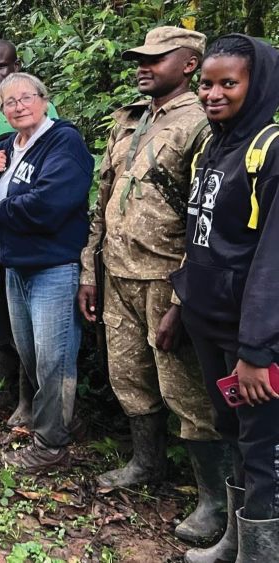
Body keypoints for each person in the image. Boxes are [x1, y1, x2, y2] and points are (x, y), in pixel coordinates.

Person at [78, 27, 226, 544]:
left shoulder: (202, 124)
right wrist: (88, 269)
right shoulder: (130, 119)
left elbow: (205, 219)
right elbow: (103, 200)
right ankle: (147, 463)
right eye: (140, 58)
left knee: (185, 390)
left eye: (156, 59)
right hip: (117, 272)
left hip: (167, 279)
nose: (144, 66)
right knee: (129, 376)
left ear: (189, 64)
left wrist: (184, 299)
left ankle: (215, 501)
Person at [171, 34, 279, 563]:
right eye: (207, 84)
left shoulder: (271, 150)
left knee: (263, 448)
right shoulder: (215, 146)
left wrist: (258, 350)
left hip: (252, 338)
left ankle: (262, 551)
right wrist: (180, 303)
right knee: (233, 433)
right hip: (209, 323)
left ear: (255, 84)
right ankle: (237, 539)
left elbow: (272, 262)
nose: (212, 94)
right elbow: (200, 240)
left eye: (228, 84)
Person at [0, 73, 93, 472]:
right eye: (9, 102)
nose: (18, 106)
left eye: (26, 98)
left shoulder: (63, 141)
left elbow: (54, 201)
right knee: (29, 354)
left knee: (53, 359)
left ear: (44, 100)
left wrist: (1, 210)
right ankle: (64, 420)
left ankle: (50, 446)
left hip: (53, 267)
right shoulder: (10, 145)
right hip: (16, 266)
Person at [0, 40, 58, 427]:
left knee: (29, 320)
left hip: (23, 226)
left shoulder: (39, 107)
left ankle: (28, 400)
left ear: (16, 65)